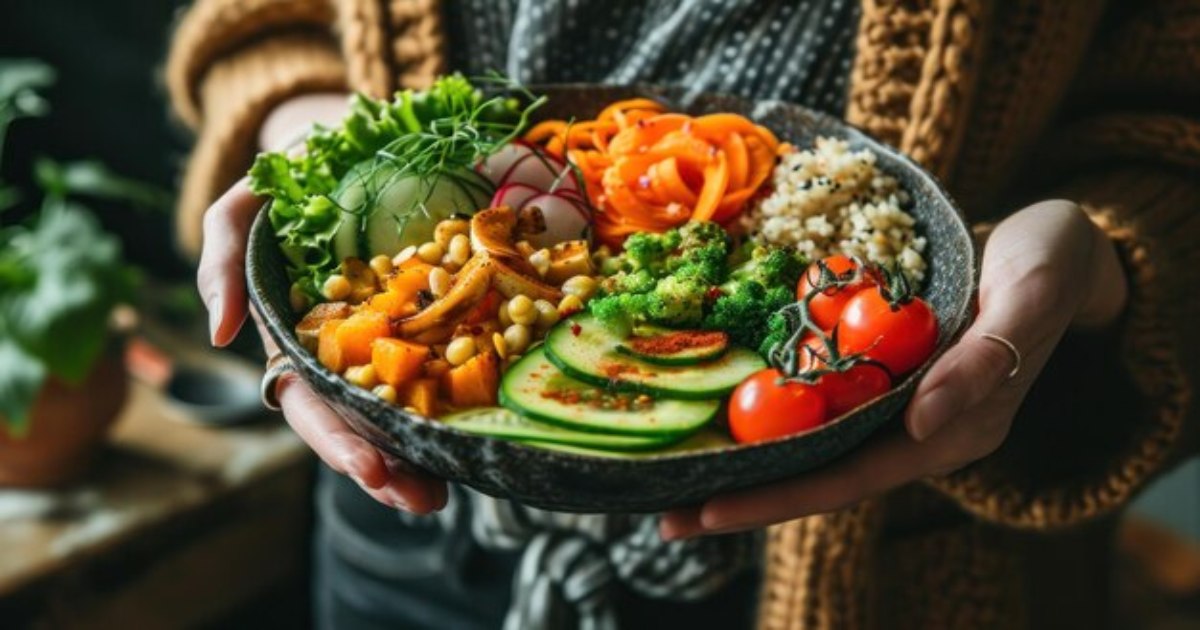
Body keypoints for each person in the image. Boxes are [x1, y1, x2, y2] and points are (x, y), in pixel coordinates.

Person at [167, 1, 1200, 628]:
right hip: (405, 528)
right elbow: (283, 17)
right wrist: (326, 152)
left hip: (901, 575)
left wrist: (1108, 259)